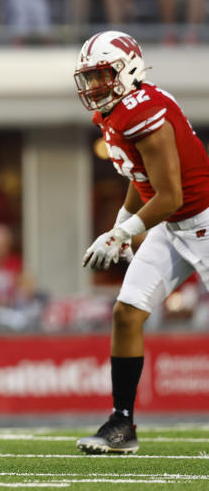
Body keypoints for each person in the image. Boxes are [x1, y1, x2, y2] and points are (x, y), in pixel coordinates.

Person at [74, 30, 209, 454]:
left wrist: (122, 232)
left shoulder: (142, 110)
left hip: (203, 222)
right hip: (173, 228)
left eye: (103, 75)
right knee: (127, 313)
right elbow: (141, 176)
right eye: (91, 77)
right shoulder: (118, 111)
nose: (95, 86)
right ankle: (122, 424)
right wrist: (123, 218)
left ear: (128, 70)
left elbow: (171, 196)